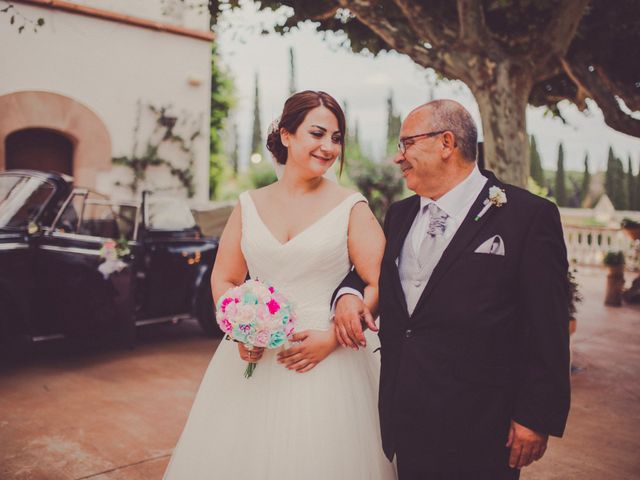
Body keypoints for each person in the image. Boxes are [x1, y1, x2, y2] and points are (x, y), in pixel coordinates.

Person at [163, 91, 396, 480]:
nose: (328, 147)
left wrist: (333, 338)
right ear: (286, 135)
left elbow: (380, 283)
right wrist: (240, 331)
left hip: (327, 357)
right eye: (317, 133)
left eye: (336, 138)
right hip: (254, 356)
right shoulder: (248, 203)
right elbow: (226, 278)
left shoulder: (350, 206)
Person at [333, 100, 571, 480]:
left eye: (407, 143)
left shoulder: (527, 216)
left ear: (446, 143)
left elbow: (549, 324)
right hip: (406, 413)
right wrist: (349, 295)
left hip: (481, 423)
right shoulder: (401, 214)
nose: (399, 158)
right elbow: (366, 272)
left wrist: (535, 415)